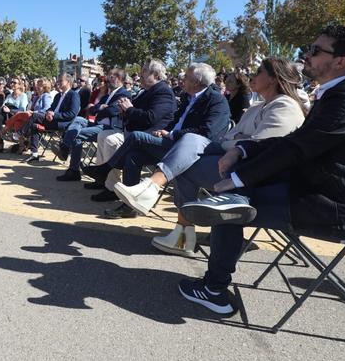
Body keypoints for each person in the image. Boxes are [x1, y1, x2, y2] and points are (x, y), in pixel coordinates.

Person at [174, 25, 345, 315]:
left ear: (341, 60)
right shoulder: (341, 93)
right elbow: (295, 142)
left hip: (340, 206)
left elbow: (298, 149)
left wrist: (239, 178)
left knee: (230, 208)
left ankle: (214, 289)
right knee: (235, 195)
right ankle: (222, 213)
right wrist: (243, 150)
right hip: (326, 188)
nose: (307, 54)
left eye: (316, 50)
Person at [116, 57, 307, 256]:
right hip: (230, 161)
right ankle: (154, 191)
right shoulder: (258, 107)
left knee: (183, 164)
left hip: (254, 175)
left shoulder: (285, 106)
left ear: (274, 79)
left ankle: (180, 231)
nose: (253, 75)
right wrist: (238, 140)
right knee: (189, 142)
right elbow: (233, 138)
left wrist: (237, 143)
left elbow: (262, 147)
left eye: (259, 71)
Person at [84, 63, 230, 218]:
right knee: (132, 155)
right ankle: (129, 205)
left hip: (189, 151)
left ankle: (105, 169)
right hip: (170, 142)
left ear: (196, 81)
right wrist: (163, 132)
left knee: (136, 137)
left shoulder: (216, 101)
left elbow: (207, 132)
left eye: (186, 77)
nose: (182, 80)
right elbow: (173, 120)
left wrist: (172, 134)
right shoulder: (190, 98)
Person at [56, 68, 129, 181]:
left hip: (110, 128)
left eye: (112, 76)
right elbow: (90, 110)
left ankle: (72, 167)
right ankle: (66, 148)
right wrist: (99, 107)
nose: (109, 79)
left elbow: (112, 111)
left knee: (77, 134)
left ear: (120, 79)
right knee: (78, 119)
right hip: (97, 124)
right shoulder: (107, 96)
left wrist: (99, 108)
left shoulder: (124, 93)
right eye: (109, 76)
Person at [22, 73, 80, 163]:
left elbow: (72, 114)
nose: (58, 82)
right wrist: (49, 112)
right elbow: (51, 108)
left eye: (61, 80)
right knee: (34, 125)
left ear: (68, 82)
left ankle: (21, 134)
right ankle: (34, 154)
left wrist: (54, 115)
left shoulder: (73, 95)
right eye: (58, 80)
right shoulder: (58, 96)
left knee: (34, 115)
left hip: (62, 123)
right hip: (51, 120)